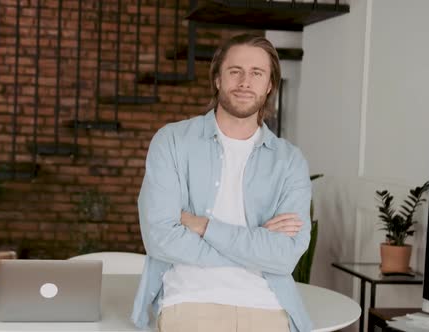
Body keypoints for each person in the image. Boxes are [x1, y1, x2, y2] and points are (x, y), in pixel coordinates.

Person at [131, 34, 313, 332]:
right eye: (235, 71)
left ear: (269, 86)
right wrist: (254, 244)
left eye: (257, 73)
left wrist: (204, 226)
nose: (245, 82)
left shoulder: (290, 161)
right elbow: (160, 237)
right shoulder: (172, 141)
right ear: (217, 79)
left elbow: (283, 258)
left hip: (267, 305)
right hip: (190, 302)